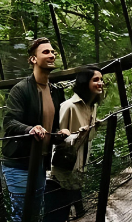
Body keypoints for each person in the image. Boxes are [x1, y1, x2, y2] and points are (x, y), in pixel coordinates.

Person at [2, 37, 69, 222]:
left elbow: (52, 126)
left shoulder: (56, 91)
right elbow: (9, 122)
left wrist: (59, 134)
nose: (52, 55)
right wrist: (30, 129)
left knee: (35, 214)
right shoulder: (21, 89)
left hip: (40, 163)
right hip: (19, 164)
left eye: (53, 52)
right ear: (33, 59)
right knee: (22, 215)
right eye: (46, 52)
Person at [44, 67, 105, 222]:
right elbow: (58, 139)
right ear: (85, 83)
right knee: (55, 214)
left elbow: (88, 138)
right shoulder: (69, 106)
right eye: (96, 79)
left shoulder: (92, 106)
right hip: (60, 172)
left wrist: (93, 128)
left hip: (78, 168)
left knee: (65, 214)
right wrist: (78, 134)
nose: (101, 83)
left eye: (101, 79)